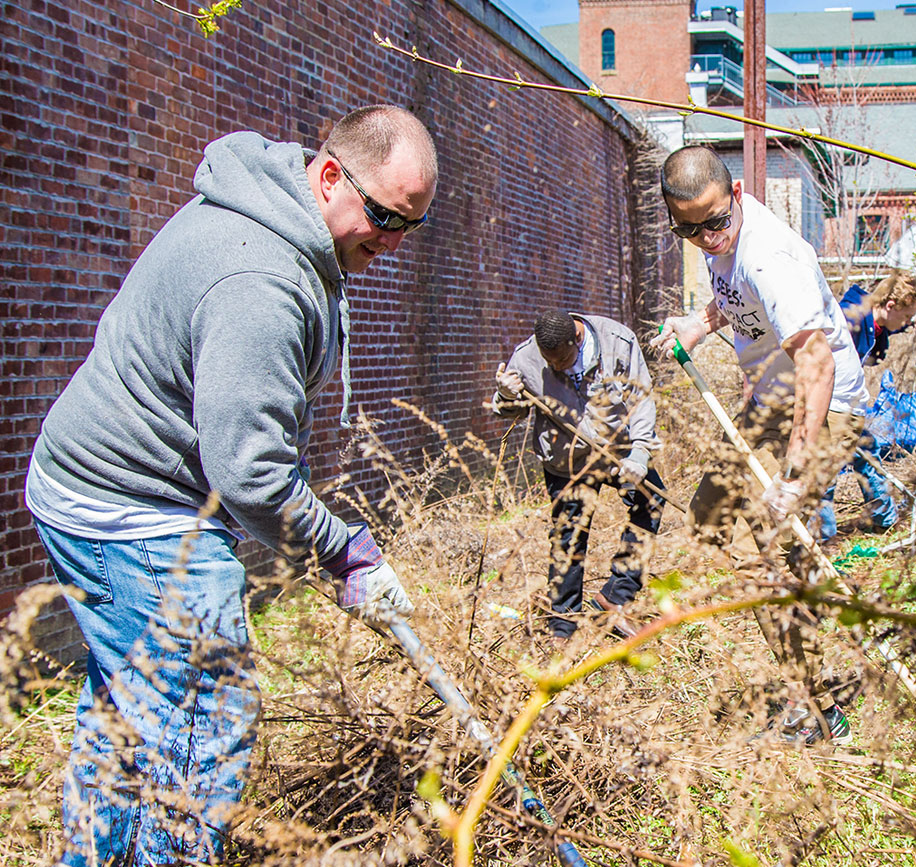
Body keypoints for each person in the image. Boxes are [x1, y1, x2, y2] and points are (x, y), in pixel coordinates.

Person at [24, 105, 437, 866]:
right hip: (130, 507)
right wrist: (342, 550)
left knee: (129, 704)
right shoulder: (261, 278)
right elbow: (249, 472)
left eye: (409, 225)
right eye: (382, 215)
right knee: (201, 714)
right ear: (328, 176)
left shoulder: (281, 216)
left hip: (95, 484)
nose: (389, 241)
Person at [652, 145, 870, 745]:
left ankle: (817, 702)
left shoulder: (772, 258)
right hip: (774, 396)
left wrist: (796, 475)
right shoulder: (722, 242)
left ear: (741, 195)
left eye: (717, 222)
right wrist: (700, 325)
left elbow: (818, 365)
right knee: (709, 509)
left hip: (823, 405)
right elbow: (733, 296)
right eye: (688, 229)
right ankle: (762, 585)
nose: (707, 238)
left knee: (779, 548)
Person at [493, 309, 664, 642]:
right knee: (568, 537)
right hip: (565, 458)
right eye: (549, 362)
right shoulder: (527, 356)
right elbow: (508, 408)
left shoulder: (617, 341)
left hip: (617, 451)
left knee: (651, 499)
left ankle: (614, 599)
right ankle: (562, 624)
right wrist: (506, 395)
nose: (555, 367)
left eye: (562, 360)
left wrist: (641, 453)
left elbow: (641, 398)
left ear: (578, 337)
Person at [815, 269, 916, 539]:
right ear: (890, 305)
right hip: (831, 404)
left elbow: (890, 324)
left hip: (848, 405)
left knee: (867, 451)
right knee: (826, 474)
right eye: (904, 314)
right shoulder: (849, 318)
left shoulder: (873, 318)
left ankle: (884, 519)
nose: (904, 321)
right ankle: (821, 541)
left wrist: (911, 319)